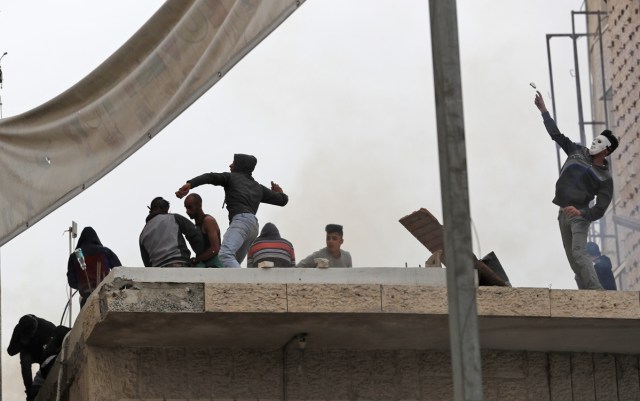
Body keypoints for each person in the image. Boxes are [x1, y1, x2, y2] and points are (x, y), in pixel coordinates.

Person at [534, 91, 619, 290]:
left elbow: (600, 208)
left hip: (579, 215)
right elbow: (557, 136)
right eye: (595, 140)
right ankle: (586, 292)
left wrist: (581, 213)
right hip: (562, 212)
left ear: (606, 151)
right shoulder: (577, 151)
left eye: (600, 143)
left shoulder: (605, 179)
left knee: (580, 253)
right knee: (573, 260)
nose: (594, 144)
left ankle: (597, 293)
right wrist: (544, 111)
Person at [175, 154, 289, 267]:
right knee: (232, 262)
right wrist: (280, 192)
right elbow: (282, 200)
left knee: (224, 255)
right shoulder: (258, 187)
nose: (230, 165)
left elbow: (210, 177)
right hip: (253, 226)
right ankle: (239, 283)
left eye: (234, 163)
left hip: (241, 221)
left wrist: (190, 184)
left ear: (240, 165)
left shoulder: (231, 177)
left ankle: (244, 284)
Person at [139, 196, 205, 267]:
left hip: (158, 273)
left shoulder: (142, 235)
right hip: (180, 264)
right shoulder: (174, 218)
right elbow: (195, 235)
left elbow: (147, 264)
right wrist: (201, 256)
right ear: (164, 209)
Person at [67, 226, 122, 307]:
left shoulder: (74, 256)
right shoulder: (105, 251)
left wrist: (82, 285)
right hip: (106, 296)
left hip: (86, 300)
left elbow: (72, 282)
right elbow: (119, 271)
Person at [7, 314, 56, 401]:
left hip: (44, 353)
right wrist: (22, 342)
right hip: (29, 353)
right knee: (25, 360)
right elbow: (10, 351)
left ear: (35, 329)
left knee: (47, 362)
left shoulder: (47, 327)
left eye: (30, 335)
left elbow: (58, 341)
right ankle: (30, 392)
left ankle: (45, 381)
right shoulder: (19, 329)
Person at [183, 193, 223, 267]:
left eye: (190, 207)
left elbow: (215, 249)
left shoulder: (208, 221)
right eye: (186, 208)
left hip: (215, 265)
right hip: (204, 264)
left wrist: (196, 260)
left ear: (199, 205)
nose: (187, 211)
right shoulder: (196, 226)